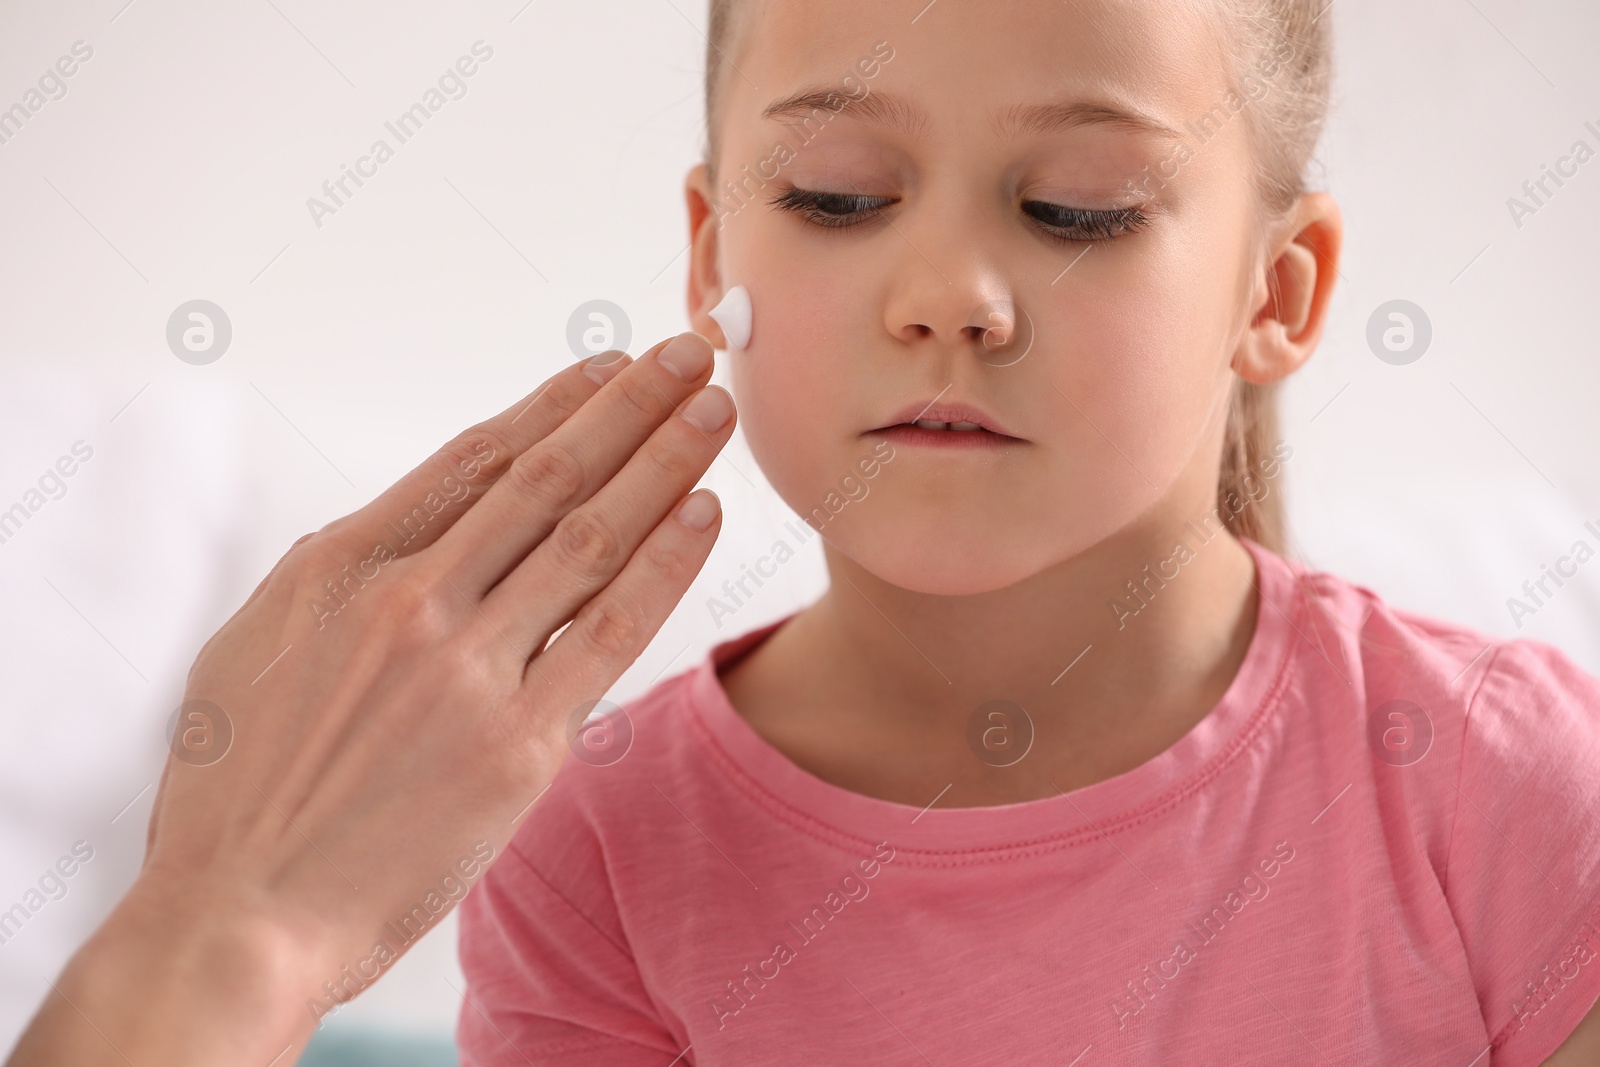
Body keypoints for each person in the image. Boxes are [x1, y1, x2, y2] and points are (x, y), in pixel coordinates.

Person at [8, 4, 1599, 1067]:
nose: (949, 300)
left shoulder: (1508, 784)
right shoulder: (601, 860)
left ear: (1280, 290)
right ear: (713, 255)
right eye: (839, 196)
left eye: (1078, 210)